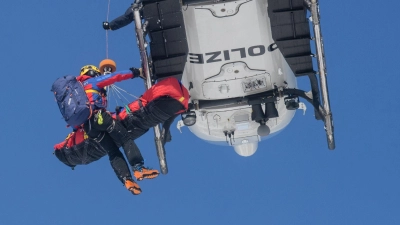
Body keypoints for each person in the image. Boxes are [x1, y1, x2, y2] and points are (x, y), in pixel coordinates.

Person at [78, 65, 160, 184]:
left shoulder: (78, 91)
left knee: (112, 151)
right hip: (99, 117)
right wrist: (136, 72)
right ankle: (139, 168)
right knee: (125, 138)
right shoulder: (92, 82)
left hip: (88, 128)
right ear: (92, 73)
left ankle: (126, 180)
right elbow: (115, 76)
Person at [54, 127, 141, 195]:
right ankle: (138, 167)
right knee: (124, 140)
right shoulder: (74, 140)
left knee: (113, 151)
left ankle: (127, 178)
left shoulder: (76, 155)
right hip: (93, 133)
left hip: (95, 144)